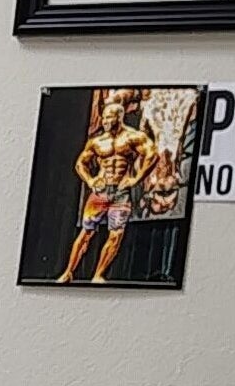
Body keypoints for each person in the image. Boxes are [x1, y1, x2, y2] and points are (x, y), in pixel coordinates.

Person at [58, 90, 161, 284]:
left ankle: (98, 274)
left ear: (119, 117)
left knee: (116, 235)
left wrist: (137, 178)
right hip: (100, 191)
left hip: (121, 193)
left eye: (109, 117)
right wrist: (89, 180)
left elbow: (152, 154)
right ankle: (68, 272)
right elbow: (80, 163)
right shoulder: (97, 141)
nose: (105, 121)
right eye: (103, 117)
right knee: (86, 233)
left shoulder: (133, 137)